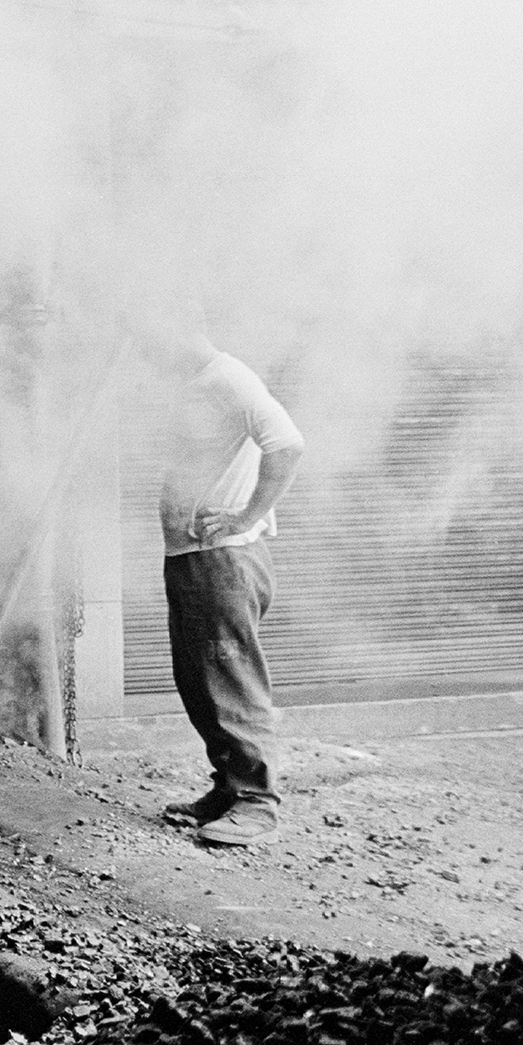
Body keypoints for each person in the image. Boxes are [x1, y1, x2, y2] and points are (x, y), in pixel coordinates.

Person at [135, 311, 305, 847]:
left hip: (224, 560)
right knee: (200, 684)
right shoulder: (193, 385)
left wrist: (247, 515)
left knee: (232, 682)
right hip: (192, 558)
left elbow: (288, 443)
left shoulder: (230, 377)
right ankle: (229, 789)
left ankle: (257, 805)